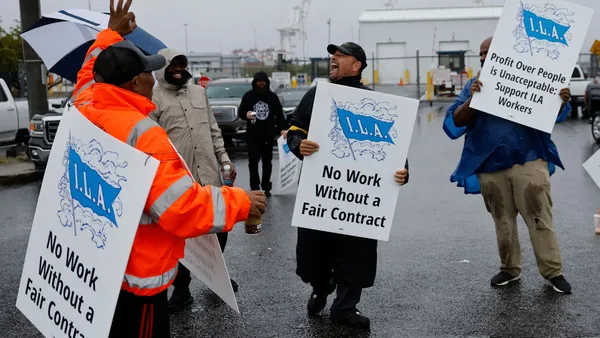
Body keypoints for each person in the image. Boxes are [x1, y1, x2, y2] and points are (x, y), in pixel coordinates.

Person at [71, 1, 267, 336]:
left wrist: (109, 36)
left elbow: (87, 74)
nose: (153, 76)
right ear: (135, 83)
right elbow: (181, 209)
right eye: (147, 71)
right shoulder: (144, 134)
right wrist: (242, 202)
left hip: (96, 266)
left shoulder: (84, 107)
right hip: (136, 285)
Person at [286, 42, 410, 330]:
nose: (333, 59)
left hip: (359, 200)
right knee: (315, 250)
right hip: (322, 194)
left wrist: (404, 172)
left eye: (341, 56)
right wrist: (297, 144)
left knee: (356, 251)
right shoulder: (318, 94)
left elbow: (396, 152)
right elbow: (295, 127)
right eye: (332, 55)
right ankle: (320, 287)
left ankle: (345, 307)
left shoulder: (377, 103)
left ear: (357, 65)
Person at [443, 37, 572, 294]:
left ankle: (553, 272)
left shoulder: (531, 78)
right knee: (502, 220)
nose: (482, 57)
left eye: (488, 52)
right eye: (480, 54)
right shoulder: (474, 85)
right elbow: (454, 121)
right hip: (490, 164)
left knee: (538, 216)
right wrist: (472, 99)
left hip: (529, 158)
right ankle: (510, 268)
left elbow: (554, 114)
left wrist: (562, 99)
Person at [149, 49, 240, 313]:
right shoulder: (153, 100)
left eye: (181, 64)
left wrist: (224, 160)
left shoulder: (199, 93)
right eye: (172, 65)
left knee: (219, 226)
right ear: (162, 69)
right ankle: (182, 288)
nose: (178, 69)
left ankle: (215, 276)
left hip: (210, 175)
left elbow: (214, 131)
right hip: (178, 180)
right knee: (181, 235)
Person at [238, 71, 288, 197]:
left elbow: (279, 114)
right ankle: (254, 187)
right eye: (259, 81)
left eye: (263, 81)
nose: (261, 84)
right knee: (253, 162)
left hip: (268, 135)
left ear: (267, 83)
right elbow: (241, 112)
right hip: (252, 135)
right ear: (255, 83)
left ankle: (266, 186)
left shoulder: (272, 97)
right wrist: (246, 115)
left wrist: (283, 128)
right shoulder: (248, 96)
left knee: (267, 162)